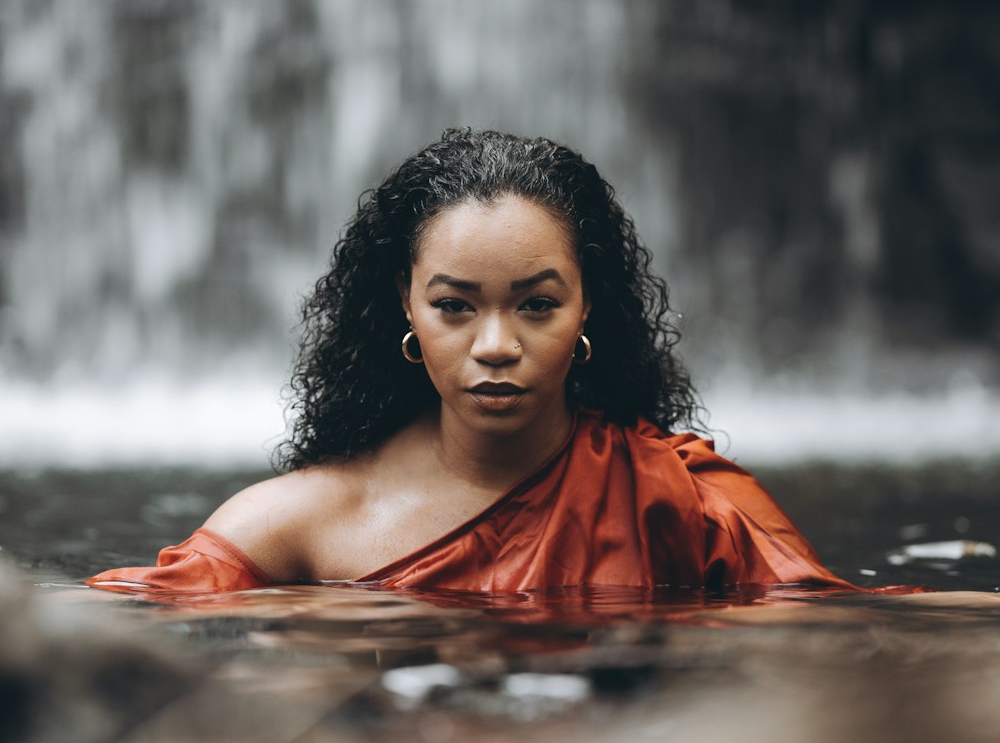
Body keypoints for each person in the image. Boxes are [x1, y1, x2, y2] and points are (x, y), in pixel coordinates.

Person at [88, 128, 851, 596]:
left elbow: (834, 633)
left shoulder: (682, 503)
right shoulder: (299, 524)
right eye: (456, 306)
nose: (495, 345)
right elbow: (112, 626)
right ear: (407, 306)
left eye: (536, 304)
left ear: (588, 306)